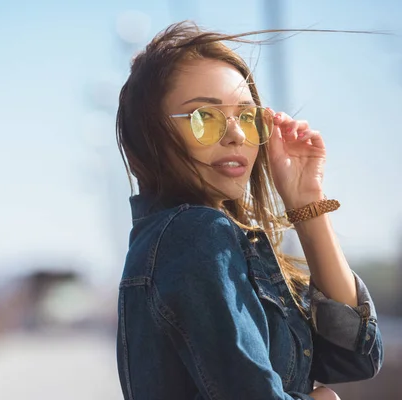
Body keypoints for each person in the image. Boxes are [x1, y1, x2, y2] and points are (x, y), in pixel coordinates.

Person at [115, 21, 383, 400]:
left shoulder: (186, 240)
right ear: (151, 135)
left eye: (245, 116)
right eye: (203, 117)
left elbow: (354, 357)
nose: (235, 134)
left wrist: (307, 203)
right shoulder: (195, 234)